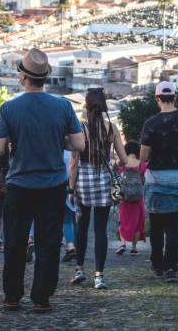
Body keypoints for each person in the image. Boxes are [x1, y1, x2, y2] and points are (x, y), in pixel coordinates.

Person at [0, 48, 85, 313]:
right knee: (48, 242)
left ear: (23, 77)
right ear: (45, 78)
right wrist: (58, 139)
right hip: (52, 185)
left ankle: (12, 296)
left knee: (15, 242)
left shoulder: (9, 109)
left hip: (19, 186)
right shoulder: (63, 106)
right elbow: (78, 143)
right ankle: (42, 297)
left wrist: (13, 141)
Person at [140, 82, 178, 284]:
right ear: (174, 97)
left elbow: (143, 156)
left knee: (156, 225)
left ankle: (157, 264)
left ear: (157, 99)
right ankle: (171, 269)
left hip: (156, 178)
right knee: (173, 226)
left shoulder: (150, 123)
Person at [69, 87, 127, 289]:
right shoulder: (111, 129)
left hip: (83, 181)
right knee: (101, 228)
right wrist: (114, 165)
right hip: (103, 180)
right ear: (103, 106)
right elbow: (124, 160)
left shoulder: (81, 129)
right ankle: (99, 275)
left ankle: (79, 269)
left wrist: (70, 189)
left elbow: (74, 162)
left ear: (86, 105)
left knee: (82, 226)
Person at [116, 140, 147, 256]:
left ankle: (122, 244)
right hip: (138, 199)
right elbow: (145, 179)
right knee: (138, 223)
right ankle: (134, 248)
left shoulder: (122, 164)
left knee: (123, 221)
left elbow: (117, 174)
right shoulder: (142, 164)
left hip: (125, 198)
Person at [61, 149, 76, 263]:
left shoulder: (58, 150)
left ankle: (70, 246)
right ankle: (75, 246)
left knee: (66, 220)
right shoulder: (74, 150)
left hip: (62, 186)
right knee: (74, 219)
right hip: (77, 185)